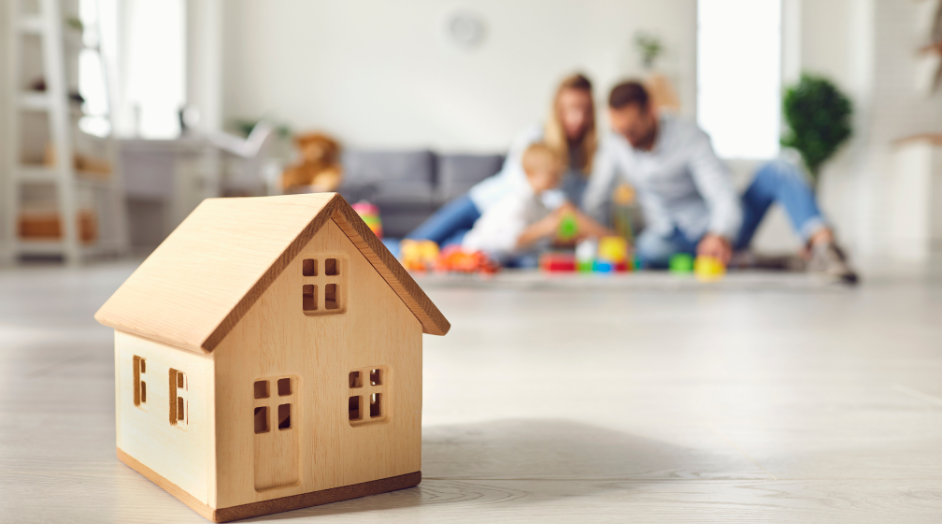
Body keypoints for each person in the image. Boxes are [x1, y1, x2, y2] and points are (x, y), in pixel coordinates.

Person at [584, 81, 858, 283]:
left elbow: (721, 192)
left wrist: (719, 233)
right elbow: (597, 198)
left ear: (651, 112)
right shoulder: (615, 145)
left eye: (632, 130)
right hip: (669, 237)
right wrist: (592, 241)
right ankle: (745, 260)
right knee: (649, 249)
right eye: (620, 132)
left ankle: (825, 248)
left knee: (780, 168)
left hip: (719, 228)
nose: (627, 139)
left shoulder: (689, 137)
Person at [407, 73, 598, 246]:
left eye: (585, 110)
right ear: (557, 108)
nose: (578, 118)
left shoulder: (584, 156)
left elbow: (575, 209)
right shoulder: (534, 136)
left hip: (503, 230)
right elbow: (539, 191)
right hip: (481, 204)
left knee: (445, 254)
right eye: (571, 109)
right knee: (413, 246)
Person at [463, 143, 613, 266]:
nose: (558, 179)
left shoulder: (540, 202)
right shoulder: (518, 201)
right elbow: (513, 240)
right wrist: (545, 228)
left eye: (559, 174)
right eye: (552, 174)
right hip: (480, 252)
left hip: (507, 256)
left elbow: (543, 238)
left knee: (541, 258)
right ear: (531, 173)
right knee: (531, 263)